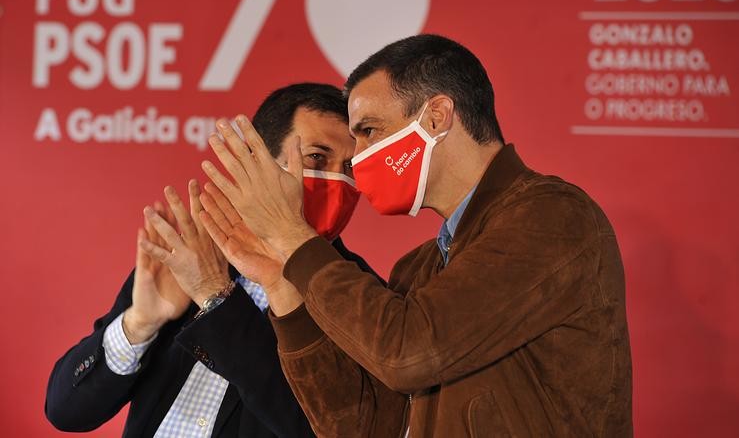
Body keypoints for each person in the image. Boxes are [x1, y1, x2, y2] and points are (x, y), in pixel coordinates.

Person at [200, 35, 633, 437]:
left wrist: (294, 237)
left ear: (437, 116)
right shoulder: (419, 267)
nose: (361, 156)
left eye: (369, 130)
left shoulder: (551, 215)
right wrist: (280, 283)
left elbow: (411, 353)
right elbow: (363, 425)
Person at [45, 83, 372, 437]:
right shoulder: (193, 254)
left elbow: (318, 427)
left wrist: (216, 296)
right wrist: (139, 323)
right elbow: (66, 410)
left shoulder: (360, 295)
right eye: (317, 158)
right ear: (256, 161)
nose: (338, 181)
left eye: (351, 167)